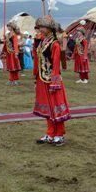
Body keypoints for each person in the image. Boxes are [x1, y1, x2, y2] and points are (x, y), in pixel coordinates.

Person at [34, 16, 72, 146]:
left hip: (52, 80)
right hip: (42, 79)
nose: (40, 29)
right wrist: (36, 78)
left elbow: (56, 65)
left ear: (49, 28)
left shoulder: (54, 44)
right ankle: (50, 133)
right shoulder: (42, 42)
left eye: (42, 27)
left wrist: (55, 83)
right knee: (47, 108)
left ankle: (59, 134)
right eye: (39, 27)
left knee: (56, 106)